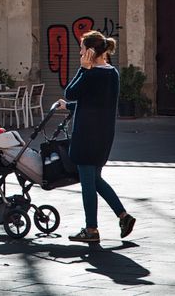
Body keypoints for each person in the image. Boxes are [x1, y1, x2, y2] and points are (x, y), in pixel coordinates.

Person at [57, 30, 136, 243]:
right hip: (104, 136)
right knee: (95, 179)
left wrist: (83, 70)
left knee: (88, 183)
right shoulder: (112, 73)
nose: (80, 52)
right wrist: (72, 107)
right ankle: (123, 216)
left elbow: (70, 92)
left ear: (91, 52)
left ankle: (91, 229)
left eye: (82, 48)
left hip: (86, 135)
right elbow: (97, 103)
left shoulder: (91, 73)